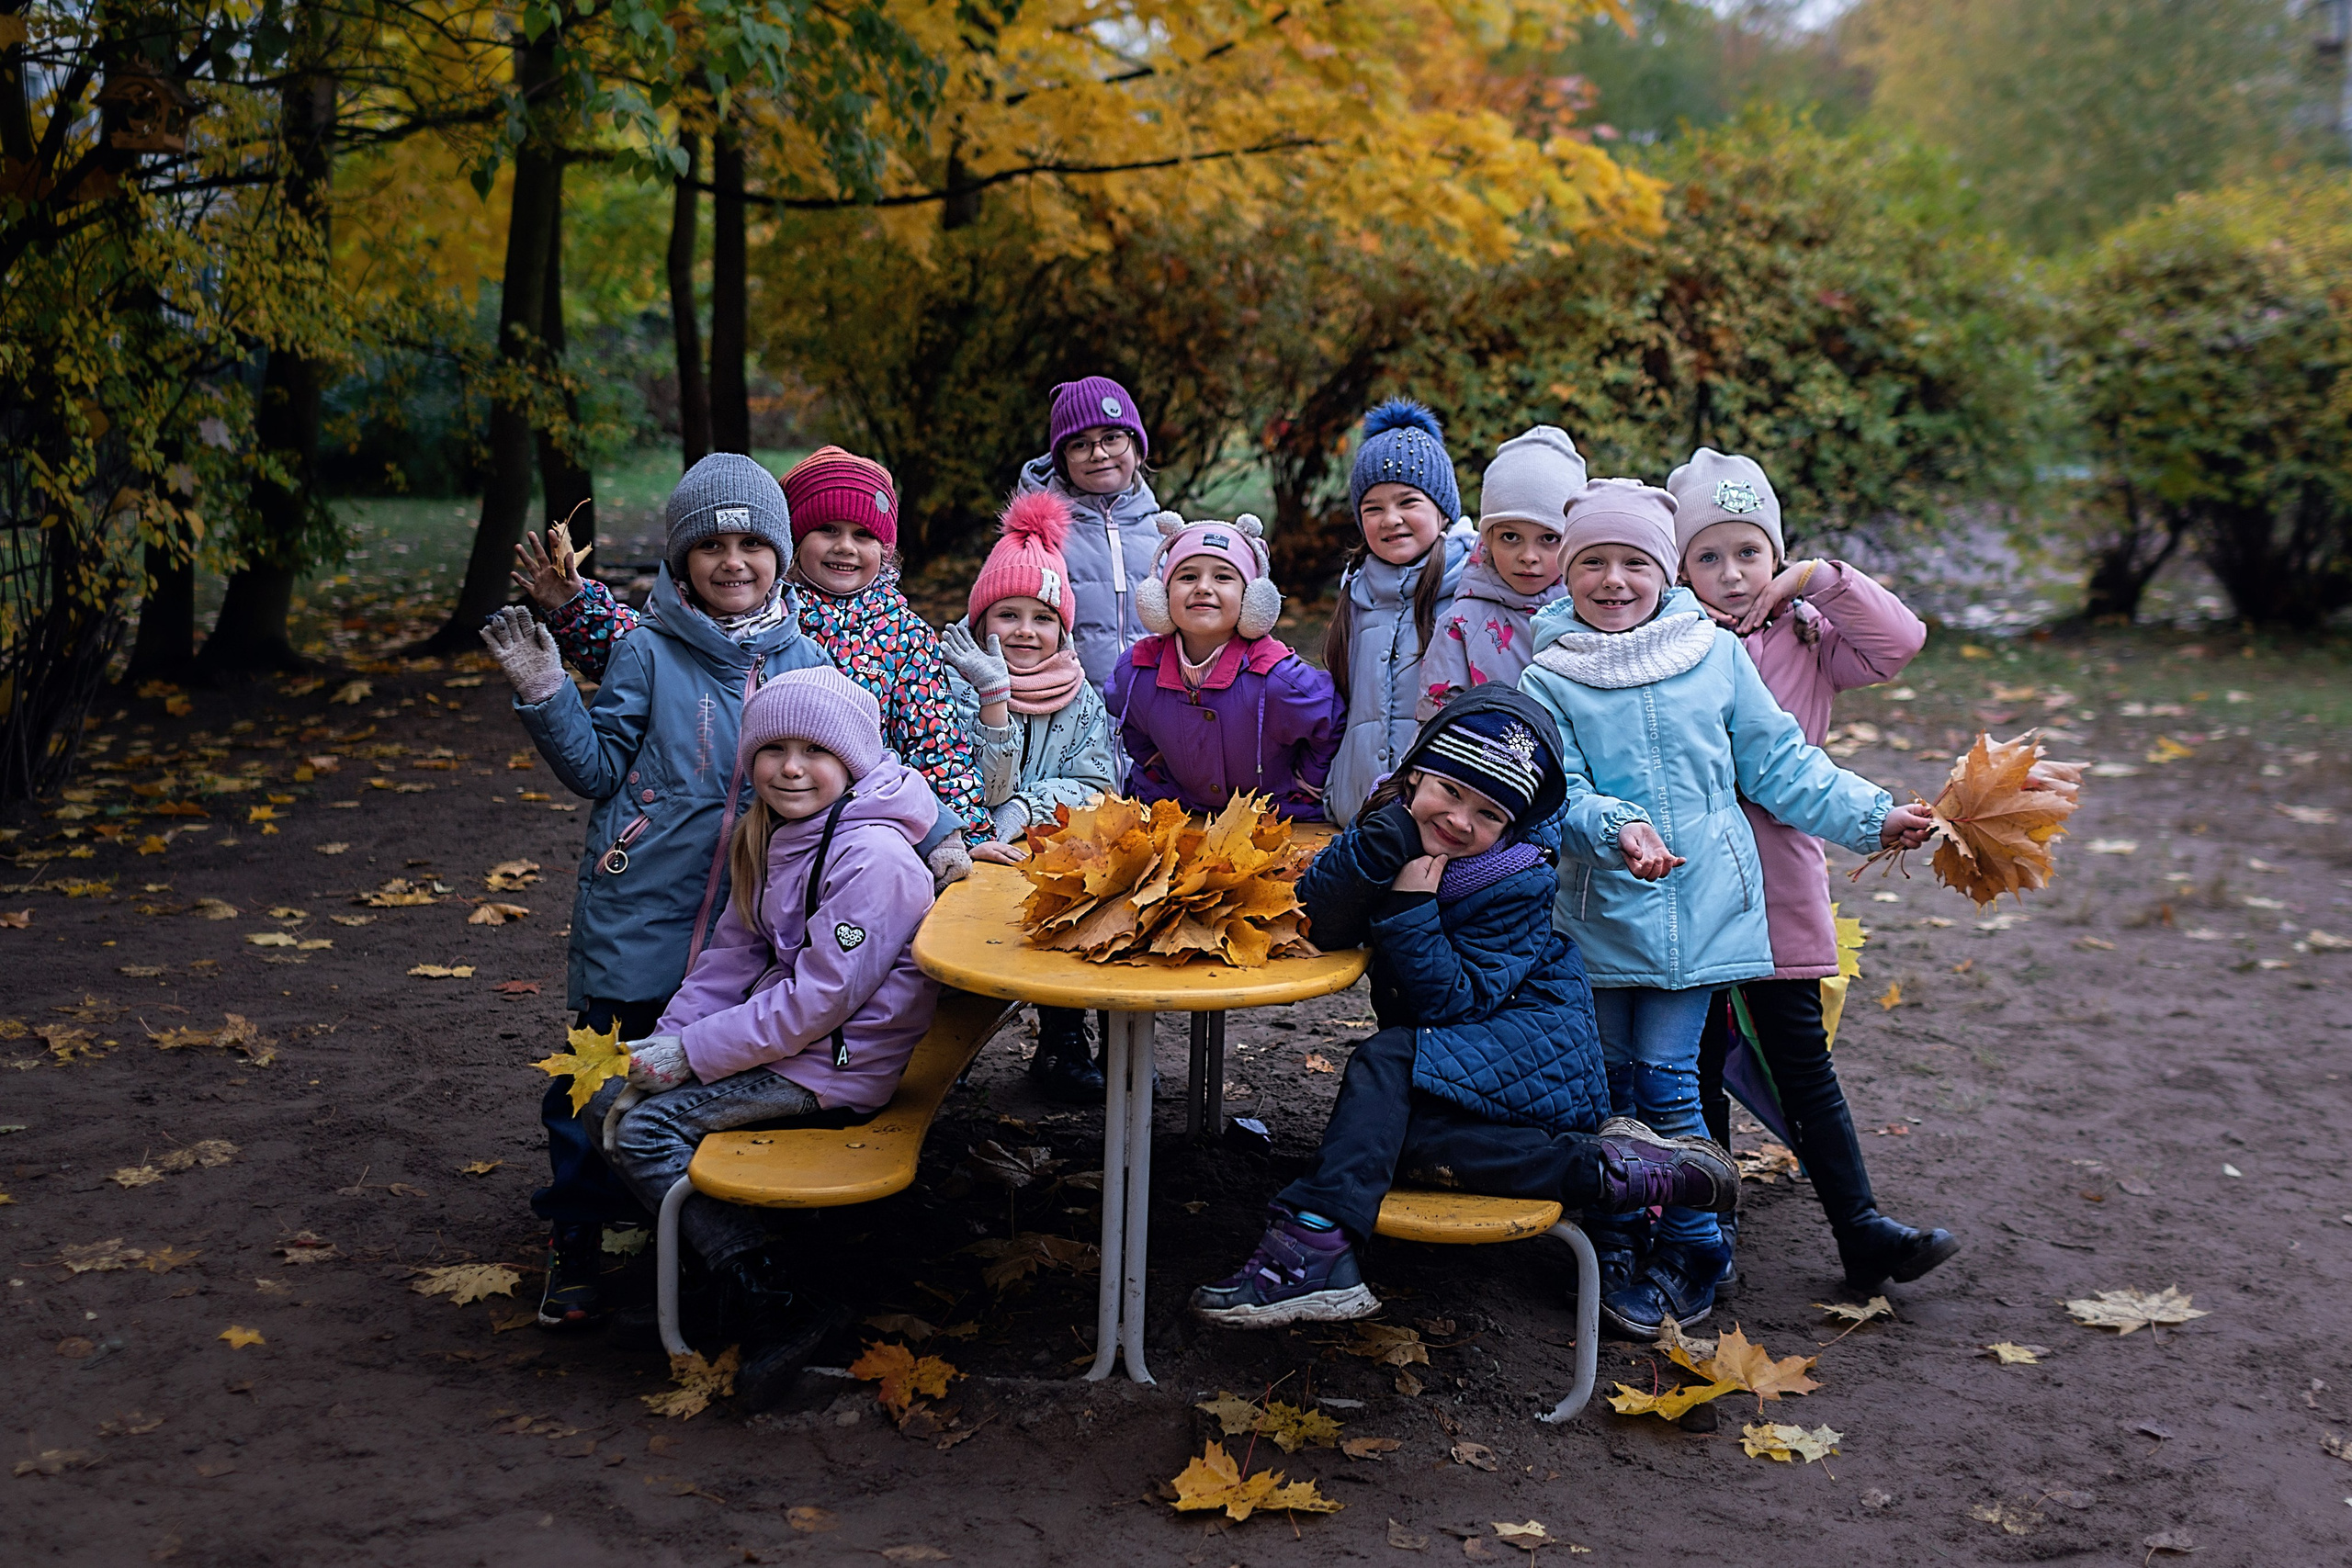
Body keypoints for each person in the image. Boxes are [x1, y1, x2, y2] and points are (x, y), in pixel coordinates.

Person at [1516, 478, 1937, 1337]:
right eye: (1591, 562)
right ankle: (1618, 1244)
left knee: (1670, 1086)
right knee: (1610, 1091)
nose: (1613, 580)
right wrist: (1617, 825)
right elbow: (1558, 794)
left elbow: (1784, 765)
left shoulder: (1713, 655)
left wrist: (1872, 815)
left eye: (1634, 561)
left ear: (1663, 572)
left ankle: (1697, 1248)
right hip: (1599, 917)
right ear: (1567, 574)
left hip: (1703, 916)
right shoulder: (1547, 674)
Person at [1189, 689, 1740, 1326]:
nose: (1458, 818)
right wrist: (1373, 851)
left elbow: (1452, 1002)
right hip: (1467, 1073)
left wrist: (1409, 911)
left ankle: (1311, 1246)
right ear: (1417, 771)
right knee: (1383, 1146)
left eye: (1487, 812)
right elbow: (1320, 920)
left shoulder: (1513, 879)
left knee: (1386, 1061)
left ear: (1511, 828)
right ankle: (1610, 1172)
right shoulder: (1390, 827)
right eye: (1449, 790)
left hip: (1531, 1057)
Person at [480, 453, 833, 1330]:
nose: (733, 561)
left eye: (753, 542)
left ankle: (679, 1225)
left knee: (691, 1083)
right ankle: (574, 1234)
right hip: (635, 915)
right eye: (710, 544)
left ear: (780, 557)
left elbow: (837, 777)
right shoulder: (646, 650)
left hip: (737, 932)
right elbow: (596, 767)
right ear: (680, 561)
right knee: (589, 1085)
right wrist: (547, 690)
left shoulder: (805, 658)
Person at [602, 666, 943, 1409]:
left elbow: (823, 1000)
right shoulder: (772, 832)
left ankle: (779, 1298)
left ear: (852, 761)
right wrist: (669, 1042)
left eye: (814, 751)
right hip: (789, 1040)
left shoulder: (872, 858)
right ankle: (711, 1280)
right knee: (615, 1099)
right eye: (773, 748)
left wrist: (695, 1056)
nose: (791, 767)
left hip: (839, 1064)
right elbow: (733, 955)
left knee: (648, 1132)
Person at [1668, 448, 1955, 1293]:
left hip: (1779, 879)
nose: (1731, 574)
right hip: (1684, 882)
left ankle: (1860, 1228)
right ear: (1679, 566)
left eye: (1749, 552)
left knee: (1802, 1061)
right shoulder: (1664, 642)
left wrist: (1817, 579)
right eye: (1708, 556)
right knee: (1695, 1060)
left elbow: (1901, 641)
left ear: (1776, 554)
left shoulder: (1808, 636)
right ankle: (1703, 1235)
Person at [514, 447, 987, 882]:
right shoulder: (756, 605)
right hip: (725, 831)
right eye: (827, 530)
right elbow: (652, 646)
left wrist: (958, 829)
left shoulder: (904, 635)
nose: (845, 546)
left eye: (863, 535)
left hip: (839, 836)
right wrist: (576, 610)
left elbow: (934, 740)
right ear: (792, 541)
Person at [935, 491, 1122, 1100]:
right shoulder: (953, 685)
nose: (1026, 631)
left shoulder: (1078, 694)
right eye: (1008, 614)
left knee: (1077, 905)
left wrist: (1023, 810)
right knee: (951, 929)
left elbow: (1096, 786)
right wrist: (994, 703)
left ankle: (1064, 1039)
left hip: (1045, 855)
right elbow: (970, 787)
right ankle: (944, 1041)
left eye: (1043, 618)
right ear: (981, 619)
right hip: (968, 852)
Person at [1109, 513, 1340, 819]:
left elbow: (1331, 717)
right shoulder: (1137, 672)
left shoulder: (1277, 678)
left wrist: (1306, 781)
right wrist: (1154, 765)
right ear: (1161, 596)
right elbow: (1130, 718)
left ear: (1253, 599)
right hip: (1181, 811)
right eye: (1188, 576)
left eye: (1223, 577)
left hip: (1270, 818)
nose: (1203, 587)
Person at [1324, 399, 1474, 821]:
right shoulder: (1357, 592)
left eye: (1408, 502)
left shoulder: (1473, 591)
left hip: (1443, 821)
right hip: (1357, 812)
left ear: (1443, 512)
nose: (1390, 519)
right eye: (1373, 508)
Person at [1417, 425, 1584, 720]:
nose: (1528, 557)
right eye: (1510, 537)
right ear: (1487, 541)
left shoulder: (1594, 614)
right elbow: (1434, 727)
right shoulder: (1460, 625)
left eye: (1549, 538)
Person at [1011, 376, 1167, 691]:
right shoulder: (1039, 536)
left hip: (1153, 721)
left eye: (1112, 438)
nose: (1098, 454)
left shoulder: (1166, 536)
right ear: (1063, 462)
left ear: (1137, 450)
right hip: (1072, 719)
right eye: (1080, 445)